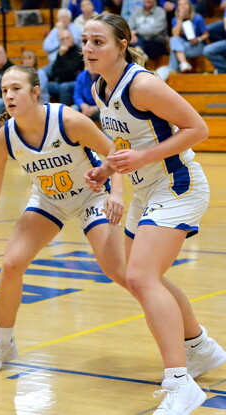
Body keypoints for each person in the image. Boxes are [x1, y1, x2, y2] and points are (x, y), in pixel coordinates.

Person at [82, 13, 226, 413]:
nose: (89, 49)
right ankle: (200, 347)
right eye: (86, 41)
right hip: (146, 189)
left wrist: (144, 157)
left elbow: (198, 129)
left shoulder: (142, 84)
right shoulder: (99, 87)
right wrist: (106, 168)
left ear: (122, 44)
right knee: (140, 276)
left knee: (141, 276)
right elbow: (124, 141)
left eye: (98, 42)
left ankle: (180, 384)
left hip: (178, 184)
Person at [0, 64, 128, 375]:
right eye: (4, 90)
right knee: (11, 264)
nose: (9, 95)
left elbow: (114, 150)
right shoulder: (4, 138)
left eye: (16, 89)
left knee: (120, 271)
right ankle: (4, 342)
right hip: (49, 201)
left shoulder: (67, 120)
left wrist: (118, 194)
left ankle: (191, 338)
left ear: (35, 92)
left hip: (92, 196)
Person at [168, 0, 208, 72]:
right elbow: (175, 35)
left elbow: (206, 34)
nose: (183, 6)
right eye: (180, 5)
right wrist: (180, 19)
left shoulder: (198, 18)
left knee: (174, 51)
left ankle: (173, 70)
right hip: (183, 45)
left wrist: (198, 39)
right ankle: (183, 63)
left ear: (190, 6)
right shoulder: (175, 20)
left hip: (197, 45)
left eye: (185, 4)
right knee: (173, 40)